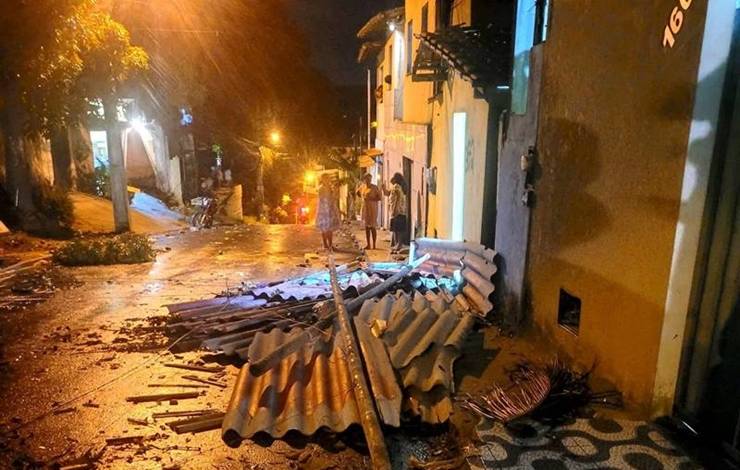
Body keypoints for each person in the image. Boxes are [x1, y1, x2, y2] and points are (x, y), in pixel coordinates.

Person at [316, 173, 341, 251]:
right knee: (324, 228)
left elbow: (333, 197)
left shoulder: (330, 187)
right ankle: (326, 245)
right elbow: (322, 199)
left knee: (329, 228)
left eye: (328, 178)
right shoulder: (321, 189)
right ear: (323, 179)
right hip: (324, 210)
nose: (327, 180)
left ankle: (330, 244)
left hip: (330, 209)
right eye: (326, 178)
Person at [384, 172, 408, 253]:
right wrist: (383, 188)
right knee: (397, 229)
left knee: (397, 229)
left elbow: (396, 200)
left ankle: (398, 245)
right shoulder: (397, 187)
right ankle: (397, 244)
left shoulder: (396, 187)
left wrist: (394, 210)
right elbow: (388, 193)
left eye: (393, 178)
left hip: (397, 211)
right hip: (400, 211)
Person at [358, 173, 381, 250]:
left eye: (369, 179)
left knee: (373, 226)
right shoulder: (363, 187)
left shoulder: (374, 187)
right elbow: (358, 193)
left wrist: (371, 199)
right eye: (367, 179)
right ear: (364, 180)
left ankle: (374, 244)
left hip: (372, 208)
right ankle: (368, 244)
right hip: (365, 208)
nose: (368, 181)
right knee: (367, 227)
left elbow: (379, 198)